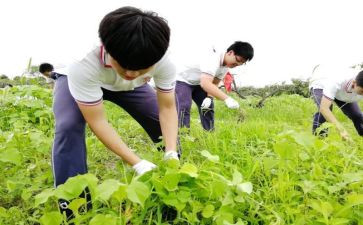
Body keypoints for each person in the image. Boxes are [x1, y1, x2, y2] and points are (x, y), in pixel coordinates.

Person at [52, 6, 179, 218]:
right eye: (125, 66)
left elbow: (167, 107)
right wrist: (136, 162)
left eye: (141, 68)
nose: (131, 73)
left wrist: (171, 150)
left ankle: (174, 176)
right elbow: (98, 121)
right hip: (84, 80)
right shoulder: (83, 63)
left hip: (130, 88)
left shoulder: (163, 61)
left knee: (160, 123)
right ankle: (74, 208)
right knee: (68, 127)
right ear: (107, 49)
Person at [175, 41, 254, 131]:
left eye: (241, 63)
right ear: (230, 52)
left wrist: (209, 97)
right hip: (183, 80)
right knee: (184, 107)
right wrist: (227, 98)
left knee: (208, 108)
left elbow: (214, 83)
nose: (237, 65)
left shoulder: (225, 67)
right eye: (238, 60)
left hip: (198, 83)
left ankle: (210, 134)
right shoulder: (213, 59)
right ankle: (183, 137)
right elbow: (205, 83)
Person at [310, 65, 363, 140]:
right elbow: (324, 108)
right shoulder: (337, 81)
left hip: (344, 91)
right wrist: (341, 130)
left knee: (357, 115)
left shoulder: (358, 82)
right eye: (362, 91)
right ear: (354, 83)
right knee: (324, 113)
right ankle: (320, 142)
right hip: (321, 83)